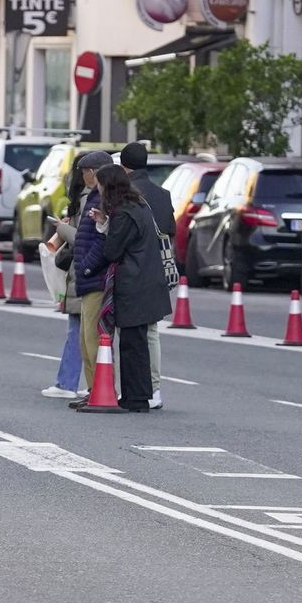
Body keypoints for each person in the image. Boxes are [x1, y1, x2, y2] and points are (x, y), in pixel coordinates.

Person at [95, 164, 172, 412]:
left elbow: (112, 250)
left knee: (132, 344)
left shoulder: (124, 213)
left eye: (100, 184)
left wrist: (104, 229)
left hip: (133, 284)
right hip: (146, 280)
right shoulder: (138, 206)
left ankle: (135, 398)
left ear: (109, 186)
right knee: (137, 342)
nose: (98, 188)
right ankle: (137, 395)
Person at [120, 142, 177, 411]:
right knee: (152, 331)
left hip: (132, 270)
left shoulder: (125, 195)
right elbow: (170, 230)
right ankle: (154, 388)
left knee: (129, 334)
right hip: (158, 271)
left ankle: (133, 388)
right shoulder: (163, 194)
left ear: (124, 165)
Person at [71, 151, 115, 409]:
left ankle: (100, 388)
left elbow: (102, 241)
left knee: (94, 339)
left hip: (95, 279)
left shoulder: (103, 200)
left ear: (96, 171)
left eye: (86, 170)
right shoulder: (93, 198)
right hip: (88, 279)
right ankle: (92, 388)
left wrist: (86, 267)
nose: (84, 175)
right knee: (85, 340)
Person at [41, 190, 84, 400]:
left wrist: (63, 229)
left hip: (86, 275)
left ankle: (68, 383)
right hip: (87, 276)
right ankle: (96, 386)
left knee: (80, 332)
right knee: (92, 334)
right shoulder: (95, 197)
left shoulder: (90, 198)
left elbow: (83, 239)